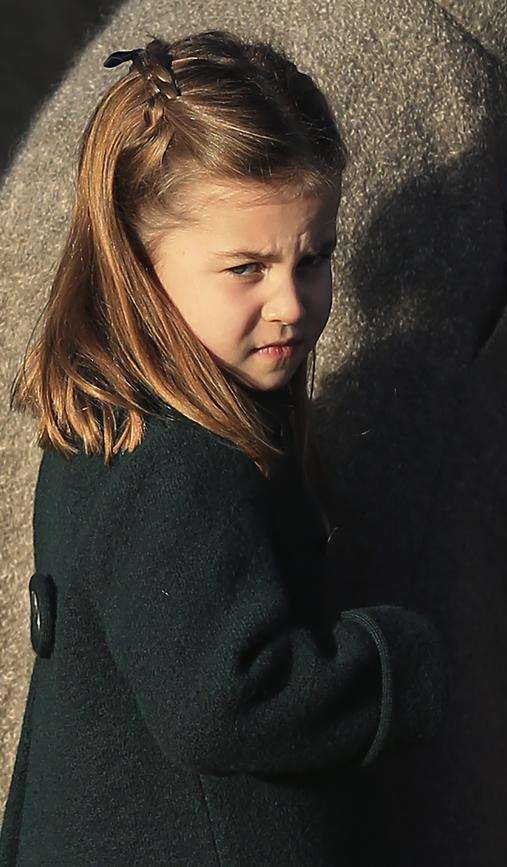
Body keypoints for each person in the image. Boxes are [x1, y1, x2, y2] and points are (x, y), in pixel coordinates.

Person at [0, 29, 447, 867]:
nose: (291, 302)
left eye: (314, 259)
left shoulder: (116, 413)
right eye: (247, 267)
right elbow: (227, 695)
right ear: (137, 262)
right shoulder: (173, 452)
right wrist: (396, 661)